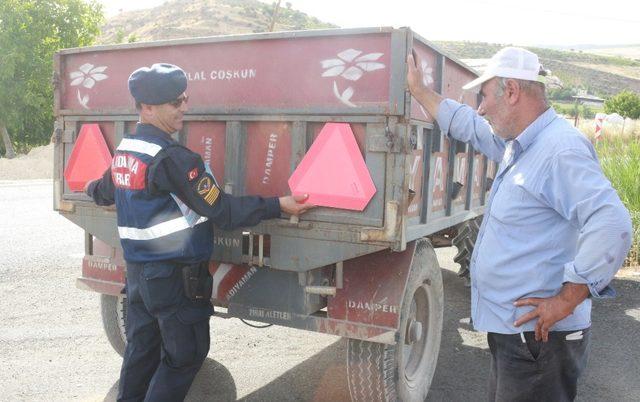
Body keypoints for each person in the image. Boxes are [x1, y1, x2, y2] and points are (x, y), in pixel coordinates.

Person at [407, 47, 632, 401]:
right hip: (521, 338)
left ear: (511, 92)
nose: (480, 107)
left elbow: (611, 223)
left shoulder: (559, 150)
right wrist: (420, 91)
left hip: (540, 343)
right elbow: (471, 126)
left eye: (484, 96)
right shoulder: (521, 145)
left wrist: (567, 298)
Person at [85, 63, 314, 402]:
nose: (184, 108)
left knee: (142, 351)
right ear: (148, 108)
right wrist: (279, 205)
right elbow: (223, 210)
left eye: (185, 99)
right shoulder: (174, 159)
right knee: (184, 357)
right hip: (174, 280)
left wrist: (87, 185)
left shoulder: (127, 152)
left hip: (138, 277)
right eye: (175, 103)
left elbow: (102, 191)